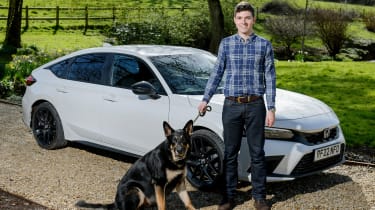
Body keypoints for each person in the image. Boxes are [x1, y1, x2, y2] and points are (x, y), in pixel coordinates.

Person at [198, 1, 276, 210]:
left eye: (248, 18)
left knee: (257, 152)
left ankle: (259, 197)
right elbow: (216, 73)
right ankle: (229, 196)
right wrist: (205, 98)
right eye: (240, 18)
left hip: (255, 106)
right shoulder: (226, 44)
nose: (244, 22)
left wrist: (271, 107)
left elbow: (270, 78)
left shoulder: (264, 45)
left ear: (253, 20)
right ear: (235, 20)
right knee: (230, 152)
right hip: (231, 105)